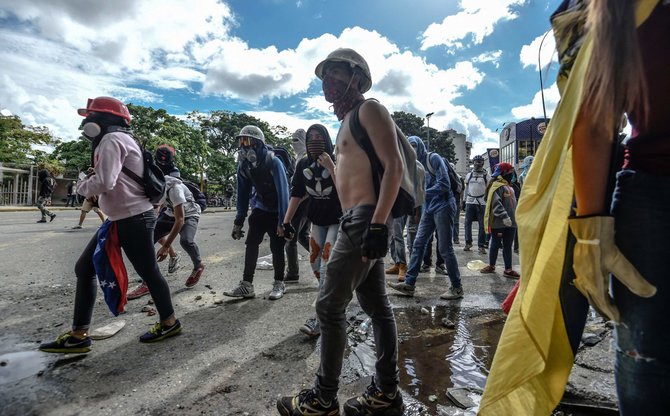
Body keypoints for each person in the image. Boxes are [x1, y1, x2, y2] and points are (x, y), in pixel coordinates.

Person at [479, 1, 664, 414]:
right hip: (654, 191)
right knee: (647, 367)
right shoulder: (612, 10)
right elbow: (595, 120)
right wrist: (591, 233)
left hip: (639, 195)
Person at [278, 48, 405, 416]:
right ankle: (386, 394)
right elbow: (348, 178)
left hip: (364, 220)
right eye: (323, 76)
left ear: (355, 76)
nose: (327, 82)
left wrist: (379, 223)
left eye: (334, 73)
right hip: (356, 218)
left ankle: (322, 399)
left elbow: (394, 165)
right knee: (378, 309)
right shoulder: (346, 120)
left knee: (329, 306)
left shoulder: (370, 110)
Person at [39, 96, 181, 354]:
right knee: (85, 268)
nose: (87, 123)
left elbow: (105, 182)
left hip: (134, 218)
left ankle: (169, 322)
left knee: (148, 272)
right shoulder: (122, 139)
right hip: (122, 218)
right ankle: (79, 335)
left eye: (91, 117)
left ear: (104, 120)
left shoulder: (111, 140)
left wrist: (82, 186)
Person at [282, 124, 341, 337]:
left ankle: (321, 316)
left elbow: (345, 190)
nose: (315, 141)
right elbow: (296, 194)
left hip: (338, 219)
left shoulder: (338, 160)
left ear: (327, 139)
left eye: (319, 137)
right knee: (315, 262)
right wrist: (286, 222)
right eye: (311, 137)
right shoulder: (303, 164)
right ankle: (333, 298)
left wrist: (332, 167)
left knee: (326, 265)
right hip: (318, 220)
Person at [388, 137, 463, 300]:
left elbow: (445, 185)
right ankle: (409, 284)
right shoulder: (412, 166)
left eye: (414, 145)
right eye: (409, 146)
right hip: (428, 208)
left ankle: (457, 287)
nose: (411, 149)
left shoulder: (432, 158)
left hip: (444, 205)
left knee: (445, 248)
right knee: (418, 244)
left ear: (420, 146)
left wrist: (421, 193)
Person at [127, 145, 205, 300]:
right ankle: (148, 281)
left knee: (186, 241)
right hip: (170, 212)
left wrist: (166, 246)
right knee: (147, 240)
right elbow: (156, 207)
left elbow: (180, 219)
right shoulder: (153, 185)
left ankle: (198, 266)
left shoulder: (174, 188)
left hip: (188, 213)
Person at [225, 125, 289, 300]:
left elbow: (284, 193)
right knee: (251, 243)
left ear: (259, 144)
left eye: (248, 142)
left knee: (277, 247)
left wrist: (283, 221)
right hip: (260, 209)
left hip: (277, 211)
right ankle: (247, 285)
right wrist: (238, 221)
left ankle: (279, 283)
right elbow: (242, 195)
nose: (245, 147)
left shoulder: (273, 162)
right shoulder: (244, 167)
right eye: (242, 142)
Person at [479, 162, 520, 278]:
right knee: (495, 244)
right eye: (511, 172)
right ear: (504, 173)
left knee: (508, 246)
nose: (512, 175)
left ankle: (508, 269)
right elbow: (496, 205)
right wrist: (504, 216)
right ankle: (491, 266)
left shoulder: (510, 187)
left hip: (511, 223)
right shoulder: (497, 187)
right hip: (499, 223)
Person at [283, 128, 312, 284]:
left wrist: (297, 201)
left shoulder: (306, 158)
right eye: (292, 140)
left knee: (291, 238)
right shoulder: (299, 157)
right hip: (304, 203)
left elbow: (306, 186)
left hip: (302, 203)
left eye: (297, 140)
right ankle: (321, 258)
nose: (294, 144)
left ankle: (293, 273)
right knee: (302, 236)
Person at [463, 154, 489, 254]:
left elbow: (489, 189)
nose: (477, 164)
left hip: (482, 203)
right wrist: (464, 201)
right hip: (470, 202)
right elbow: (466, 189)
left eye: (479, 162)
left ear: (482, 163)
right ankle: (468, 243)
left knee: (482, 225)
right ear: (473, 163)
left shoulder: (487, 176)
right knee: (467, 224)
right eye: (476, 162)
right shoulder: (469, 175)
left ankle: (481, 245)